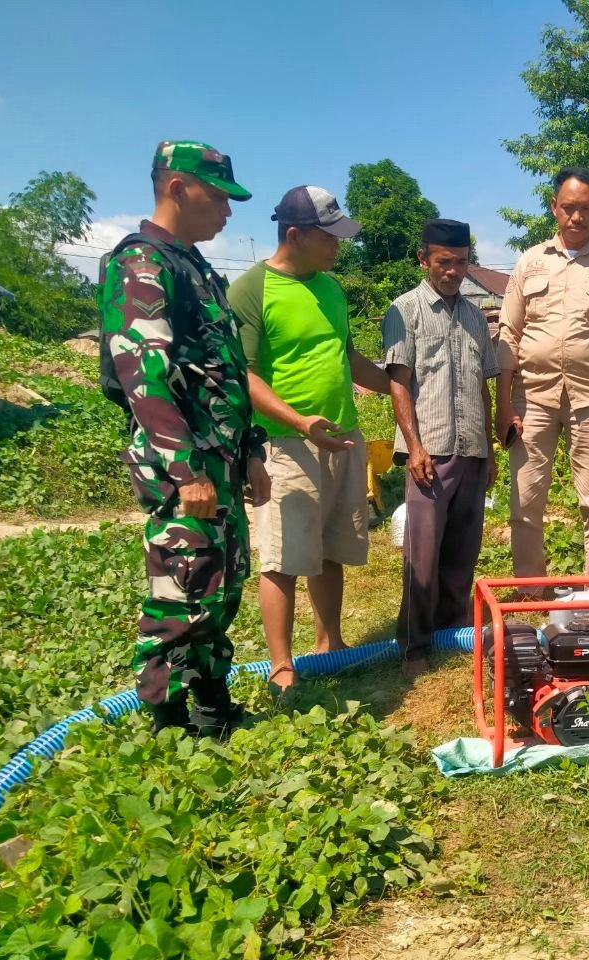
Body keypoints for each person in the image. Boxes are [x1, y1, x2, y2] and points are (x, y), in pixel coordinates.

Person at [100, 140, 270, 737]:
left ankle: (211, 704)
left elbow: (226, 372)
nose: (227, 209)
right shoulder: (142, 263)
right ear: (178, 188)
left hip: (220, 461)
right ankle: (167, 720)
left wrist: (250, 453)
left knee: (219, 585)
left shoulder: (197, 268)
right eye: (219, 194)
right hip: (188, 468)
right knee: (182, 587)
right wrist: (186, 471)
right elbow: (142, 376)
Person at [227, 185, 391, 699]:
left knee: (329, 547)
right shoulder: (251, 290)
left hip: (342, 436)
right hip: (286, 442)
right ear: (294, 233)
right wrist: (298, 422)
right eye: (330, 235)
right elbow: (245, 376)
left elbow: (346, 356)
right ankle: (281, 666)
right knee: (282, 556)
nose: (339, 245)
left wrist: (399, 384)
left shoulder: (331, 289)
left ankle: (331, 643)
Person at [496, 167, 589, 581]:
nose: (576, 217)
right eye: (568, 208)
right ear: (553, 209)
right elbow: (509, 332)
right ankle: (529, 587)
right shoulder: (529, 262)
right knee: (525, 501)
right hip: (532, 400)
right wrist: (503, 403)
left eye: (585, 209)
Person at [383, 219, 498, 679]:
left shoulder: (474, 315)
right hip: (429, 452)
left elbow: (484, 388)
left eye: (461, 261)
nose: (453, 271)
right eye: (444, 262)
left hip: (471, 448)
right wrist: (414, 447)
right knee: (422, 554)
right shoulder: (404, 310)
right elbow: (399, 384)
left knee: (463, 550)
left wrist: (488, 450)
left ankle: (452, 632)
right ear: (424, 259)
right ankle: (413, 645)